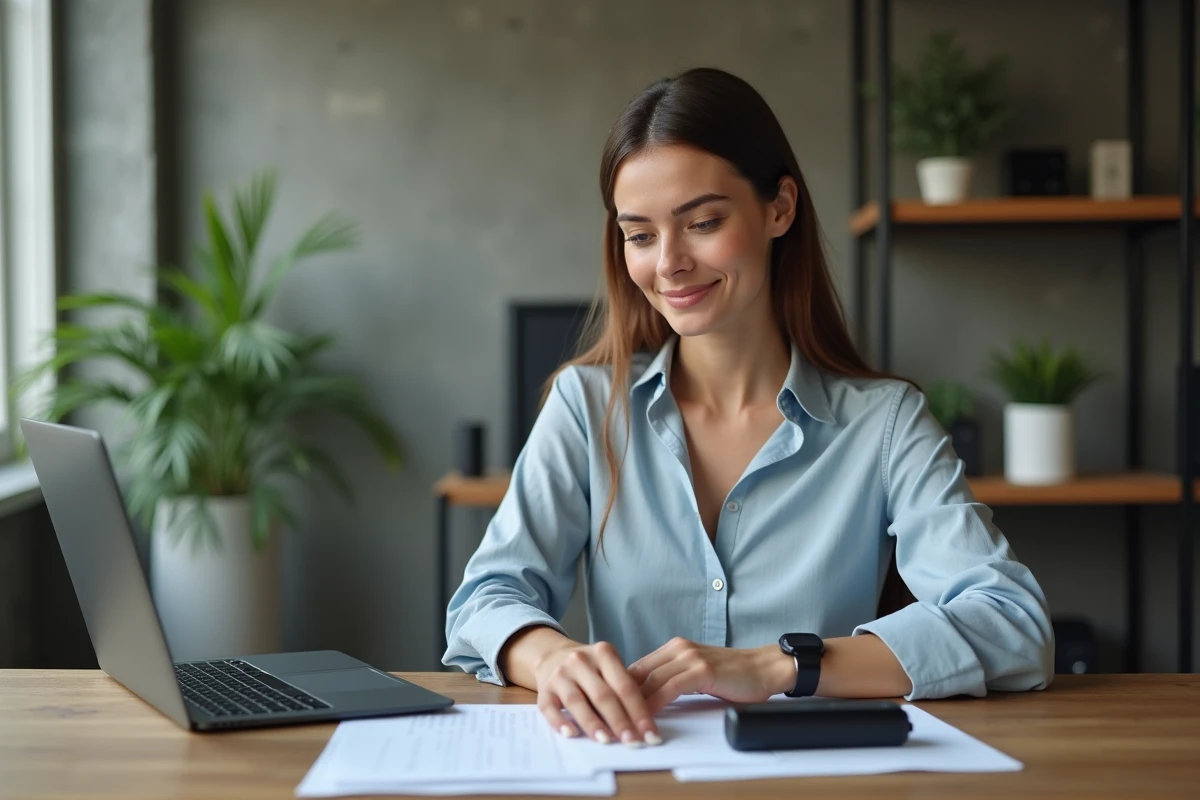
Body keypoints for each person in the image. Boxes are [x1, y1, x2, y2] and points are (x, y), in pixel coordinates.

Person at [443, 67, 1053, 748]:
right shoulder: (587, 406)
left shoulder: (884, 423)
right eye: (639, 235)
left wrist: (778, 665)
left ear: (779, 208)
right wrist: (554, 660)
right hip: (638, 770)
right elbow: (485, 602)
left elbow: (1013, 624)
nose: (668, 263)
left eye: (702, 222)